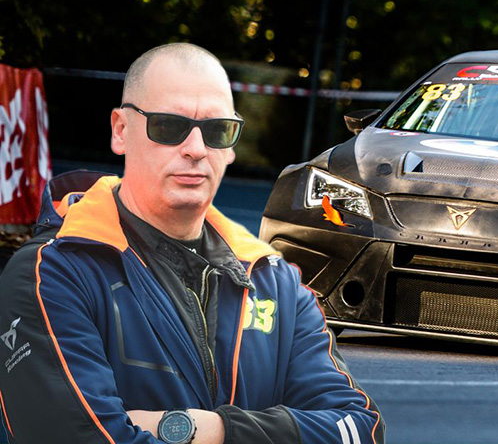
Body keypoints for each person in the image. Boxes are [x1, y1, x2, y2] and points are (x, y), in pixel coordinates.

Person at [0, 44, 384, 443]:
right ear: (120, 130)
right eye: (168, 126)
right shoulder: (51, 274)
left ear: (232, 144)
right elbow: (74, 436)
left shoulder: (279, 285)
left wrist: (202, 429)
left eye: (217, 131)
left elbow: (358, 429)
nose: (197, 149)